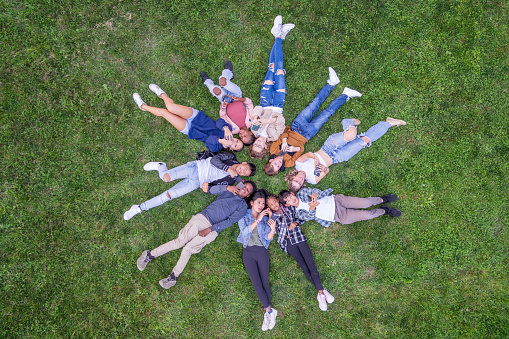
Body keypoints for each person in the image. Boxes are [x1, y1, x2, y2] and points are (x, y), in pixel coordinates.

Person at [136, 181, 256, 289]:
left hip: (214, 230)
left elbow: (229, 221)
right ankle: (149, 255)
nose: (245, 189)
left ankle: (173, 277)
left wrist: (210, 229)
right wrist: (230, 186)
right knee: (179, 242)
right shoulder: (228, 190)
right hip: (202, 218)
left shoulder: (242, 207)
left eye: (248, 190)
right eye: (244, 186)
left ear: (248, 195)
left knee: (188, 249)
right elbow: (213, 189)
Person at [262, 70, 362, 175]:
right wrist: (294, 148)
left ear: (271, 160)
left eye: (275, 164)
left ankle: (331, 83)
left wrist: (285, 142)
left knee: (314, 104)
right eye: (278, 166)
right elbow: (301, 150)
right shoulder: (288, 163)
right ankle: (345, 94)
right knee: (327, 113)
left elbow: (283, 133)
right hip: (307, 134)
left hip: (296, 126)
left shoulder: (273, 150)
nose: (278, 163)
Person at [123, 151, 256, 220]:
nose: (242, 171)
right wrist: (228, 169)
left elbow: (212, 188)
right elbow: (215, 159)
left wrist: (210, 189)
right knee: (165, 178)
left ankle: (139, 208)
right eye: (245, 168)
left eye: (245, 173)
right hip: (195, 167)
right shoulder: (230, 157)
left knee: (167, 196)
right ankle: (160, 166)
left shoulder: (231, 180)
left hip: (195, 182)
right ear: (243, 163)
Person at [285, 117, 407, 191]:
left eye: (296, 181)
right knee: (365, 140)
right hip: (338, 157)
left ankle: (347, 122)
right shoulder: (312, 180)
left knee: (352, 134)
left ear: (292, 177)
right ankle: (388, 123)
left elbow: (309, 154)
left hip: (328, 147)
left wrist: (315, 159)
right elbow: (326, 172)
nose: (300, 180)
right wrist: (324, 169)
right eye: (300, 183)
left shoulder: (298, 164)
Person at [266, 194, 335, 311]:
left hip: (299, 238)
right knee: (304, 267)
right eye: (270, 205)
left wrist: (295, 223)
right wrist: (272, 217)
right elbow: (274, 233)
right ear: (269, 207)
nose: (274, 205)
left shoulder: (289, 208)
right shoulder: (273, 218)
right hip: (289, 243)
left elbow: (301, 217)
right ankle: (322, 292)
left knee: (311, 265)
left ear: (277, 200)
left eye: (274, 202)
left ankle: (321, 292)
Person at [132, 84, 244, 152]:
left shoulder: (217, 148)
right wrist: (225, 128)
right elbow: (219, 121)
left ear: (231, 149)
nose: (234, 141)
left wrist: (220, 140)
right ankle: (161, 94)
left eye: (235, 145)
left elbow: (208, 141)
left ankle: (143, 106)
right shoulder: (229, 130)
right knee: (170, 107)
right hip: (198, 118)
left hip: (189, 129)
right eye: (237, 141)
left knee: (164, 113)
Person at [240, 15, 294, 151]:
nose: (257, 143)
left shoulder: (255, 131)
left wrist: (257, 116)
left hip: (265, 101)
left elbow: (257, 108)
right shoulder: (274, 136)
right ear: (265, 147)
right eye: (260, 146)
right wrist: (268, 121)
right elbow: (281, 120)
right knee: (279, 70)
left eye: (255, 145)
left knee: (272, 68)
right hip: (277, 103)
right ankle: (278, 36)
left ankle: (278, 35)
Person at [237, 189, 277, 331]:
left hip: (261, 252)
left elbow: (268, 238)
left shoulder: (266, 219)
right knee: (256, 283)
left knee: (264, 281)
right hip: (248, 252)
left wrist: (272, 229)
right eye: (259, 202)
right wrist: (258, 219)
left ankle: (269, 312)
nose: (261, 205)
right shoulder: (243, 215)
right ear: (252, 203)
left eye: (263, 203)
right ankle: (269, 311)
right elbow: (244, 231)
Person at [279, 189, 402, 228]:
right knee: (367, 215)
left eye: (290, 196)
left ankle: (382, 199)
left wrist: (315, 196)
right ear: (287, 205)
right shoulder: (298, 213)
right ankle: (385, 210)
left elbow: (316, 192)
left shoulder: (302, 193)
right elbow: (309, 216)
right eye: (288, 200)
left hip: (336, 201)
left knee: (365, 203)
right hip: (338, 216)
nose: (291, 199)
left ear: (292, 193)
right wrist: (311, 208)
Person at [200, 60, 255, 135]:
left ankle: (207, 82)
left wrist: (223, 106)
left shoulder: (232, 130)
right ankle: (228, 72)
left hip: (225, 100)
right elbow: (249, 103)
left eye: (241, 137)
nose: (241, 135)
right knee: (223, 82)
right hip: (236, 95)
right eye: (245, 136)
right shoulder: (251, 121)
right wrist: (239, 99)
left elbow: (223, 116)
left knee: (216, 91)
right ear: (250, 133)